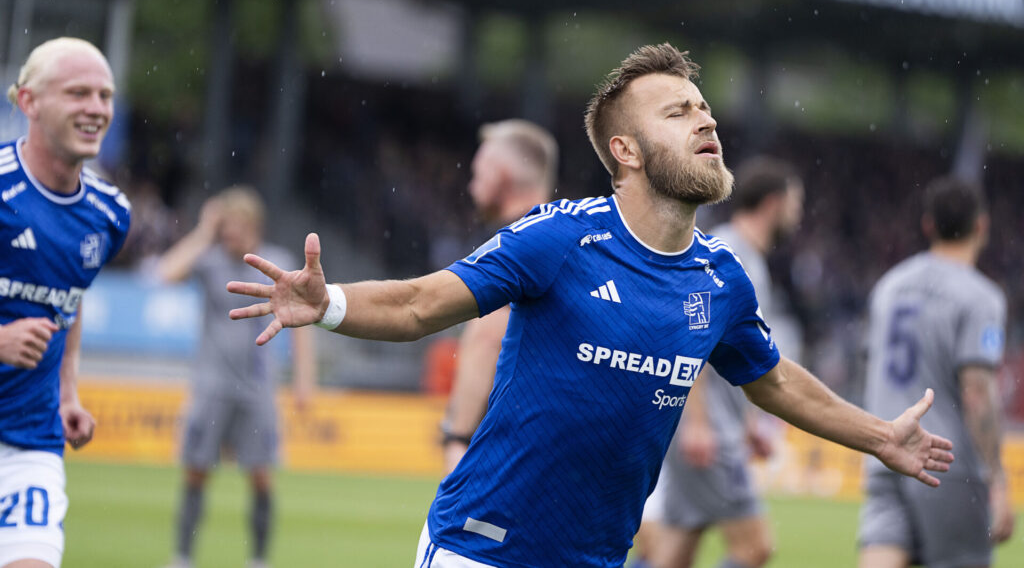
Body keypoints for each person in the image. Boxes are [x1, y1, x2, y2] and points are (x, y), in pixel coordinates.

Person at [228, 43, 954, 568]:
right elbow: (422, 305)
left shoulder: (722, 277)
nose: (705, 122)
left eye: (703, 109)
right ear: (627, 151)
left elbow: (775, 381)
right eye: (677, 113)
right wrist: (329, 304)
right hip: (483, 552)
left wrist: (878, 436)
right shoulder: (561, 237)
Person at [0, 37, 130, 568]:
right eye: (78, 93)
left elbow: (68, 302)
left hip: (31, 441)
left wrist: (67, 393)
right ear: (28, 101)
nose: (96, 108)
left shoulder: (110, 214)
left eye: (105, 95)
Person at [638, 156, 803, 568]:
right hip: (707, 429)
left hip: (714, 424)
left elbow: (732, 353)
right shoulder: (732, 255)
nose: (798, 214)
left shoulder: (741, 255)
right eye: (796, 202)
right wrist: (698, 423)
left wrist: (748, 423)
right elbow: (693, 340)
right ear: (773, 203)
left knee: (673, 552)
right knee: (755, 547)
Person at [858, 176, 1014, 568]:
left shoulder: (889, 286)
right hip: (947, 464)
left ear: (928, 225)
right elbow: (977, 392)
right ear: (982, 225)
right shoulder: (981, 298)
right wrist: (997, 476)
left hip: (885, 452)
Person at [156, 187, 314, 568]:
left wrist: (304, 381)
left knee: (261, 476)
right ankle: (182, 558)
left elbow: (302, 326)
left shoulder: (277, 262)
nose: (230, 236)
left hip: (257, 389)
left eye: (236, 228)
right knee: (196, 472)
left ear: (255, 227)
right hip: (210, 385)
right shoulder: (208, 260)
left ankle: (258, 560)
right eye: (225, 228)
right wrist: (203, 230)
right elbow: (165, 274)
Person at [440, 119, 558, 472]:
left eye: (478, 173)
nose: (472, 185)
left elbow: (489, 335)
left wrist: (457, 438)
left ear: (501, 174)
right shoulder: (561, 234)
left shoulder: (517, 243)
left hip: (512, 447)